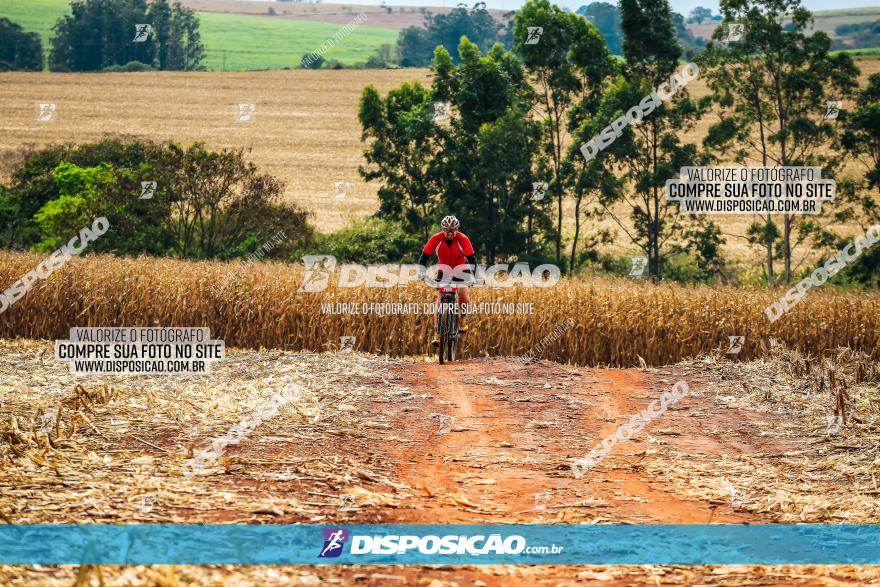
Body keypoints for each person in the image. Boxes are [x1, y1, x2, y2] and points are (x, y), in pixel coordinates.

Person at [417, 215, 476, 347]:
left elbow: (472, 260)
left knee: (463, 294)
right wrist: (421, 272)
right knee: (439, 301)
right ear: (442, 229)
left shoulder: (463, 239)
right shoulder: (436, 239)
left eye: (453, 230)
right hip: (444, 271)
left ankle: (463, 318)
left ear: (457, 229)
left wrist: (476, 276)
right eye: (447, 230)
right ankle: (438, 333)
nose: (450, 233)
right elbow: (424, 257)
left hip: (461, 270)